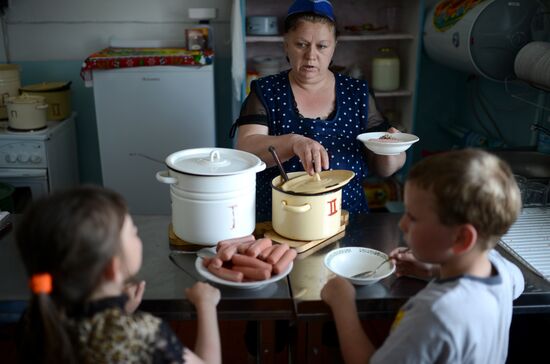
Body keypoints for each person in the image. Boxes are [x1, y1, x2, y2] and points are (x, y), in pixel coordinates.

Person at [321, 148, 525, 364]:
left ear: (462, 238)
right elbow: (518, 280)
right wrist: (431, 270)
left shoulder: (436, 312)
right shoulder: (500, 270)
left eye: (413, 217)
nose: (402, 224)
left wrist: (343, 304)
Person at [231, 0, 406, 220]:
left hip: (348, 218)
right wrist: (294, 142)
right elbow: (247, 148)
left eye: (322, 46)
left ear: (334, 45)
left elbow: (383, 168)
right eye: (301, 44)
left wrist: (391, 152)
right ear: (286, 44)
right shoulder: (267, 91)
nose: (311, 55)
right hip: (280, 218)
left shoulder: (356, 92)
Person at [15, 186, 221, 364]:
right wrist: (206, 304)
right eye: (133, 232)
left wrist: (121, 311)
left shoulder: (35, 321)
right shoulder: (139, 333)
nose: (137, 234)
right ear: (112, 268)